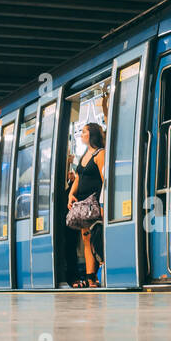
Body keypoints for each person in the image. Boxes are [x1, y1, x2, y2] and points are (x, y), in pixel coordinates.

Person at [66, 122, 106, 287]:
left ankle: (100, 271)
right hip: (82, 204)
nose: (81, 135)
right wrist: (71, 194)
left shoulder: (100, 153)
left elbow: (105, 179)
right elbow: (79, 177)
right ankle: (91, 277)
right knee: (87, 239)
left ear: (92, 134)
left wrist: (104, 204)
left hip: (94, 203)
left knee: (97, 238)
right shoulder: (84, 155)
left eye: (84, 132)